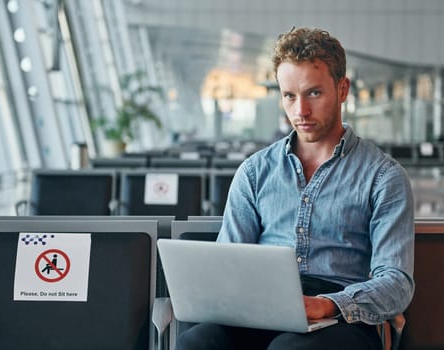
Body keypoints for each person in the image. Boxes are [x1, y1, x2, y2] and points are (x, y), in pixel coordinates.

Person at [176, 27, 415, 350]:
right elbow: (227, 264)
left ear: (342, 89)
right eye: (289, 95)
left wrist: (329, 304)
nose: (300, 111)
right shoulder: (255, 172)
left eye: (313, 93)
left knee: (291, 349)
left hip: (342, 318)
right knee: (198, 342)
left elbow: (396, 283)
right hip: (261, 309)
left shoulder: (383, 177)